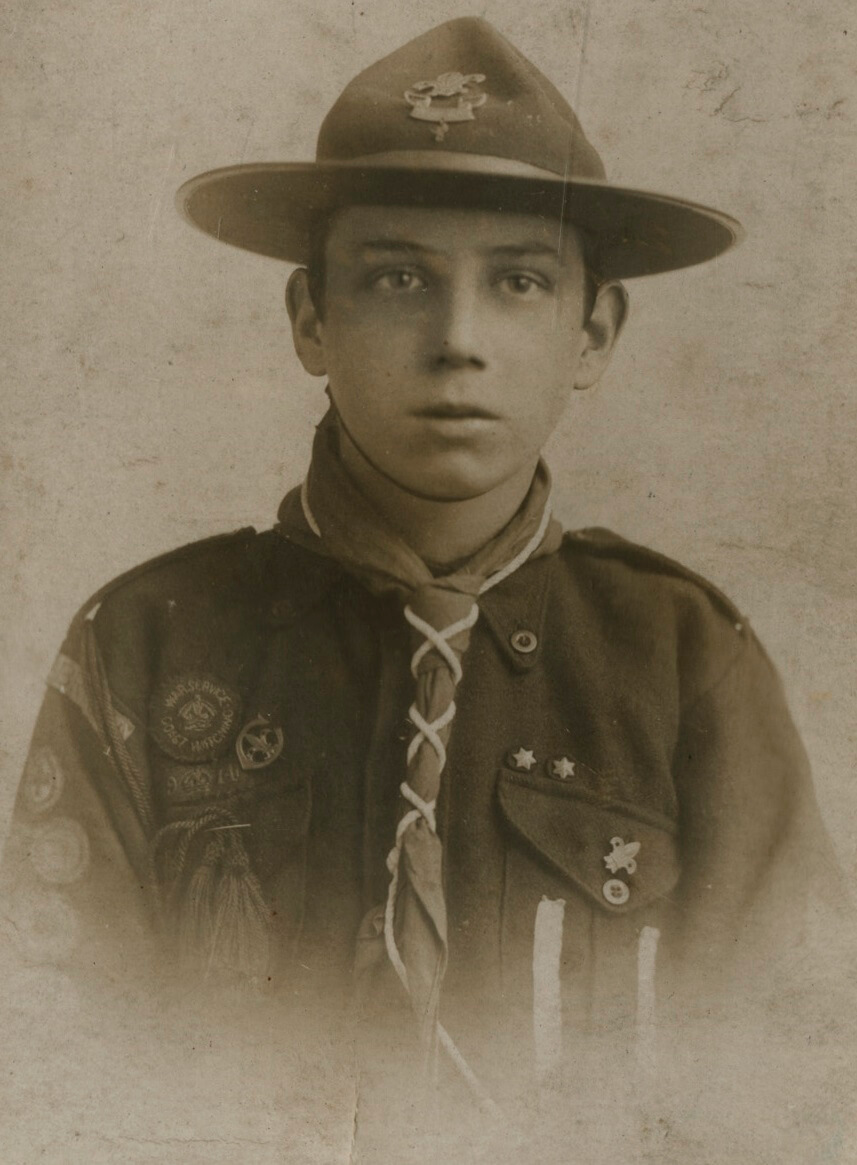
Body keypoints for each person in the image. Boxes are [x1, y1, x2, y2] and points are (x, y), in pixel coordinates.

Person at [1, 17, 849, 1161]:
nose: (457, 340)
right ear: (310, 318)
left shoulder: (684, 658)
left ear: (590, 331)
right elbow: (59, 1068)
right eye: (397, 277)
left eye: (517, 282)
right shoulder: (149, 643)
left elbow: (781, 1079)